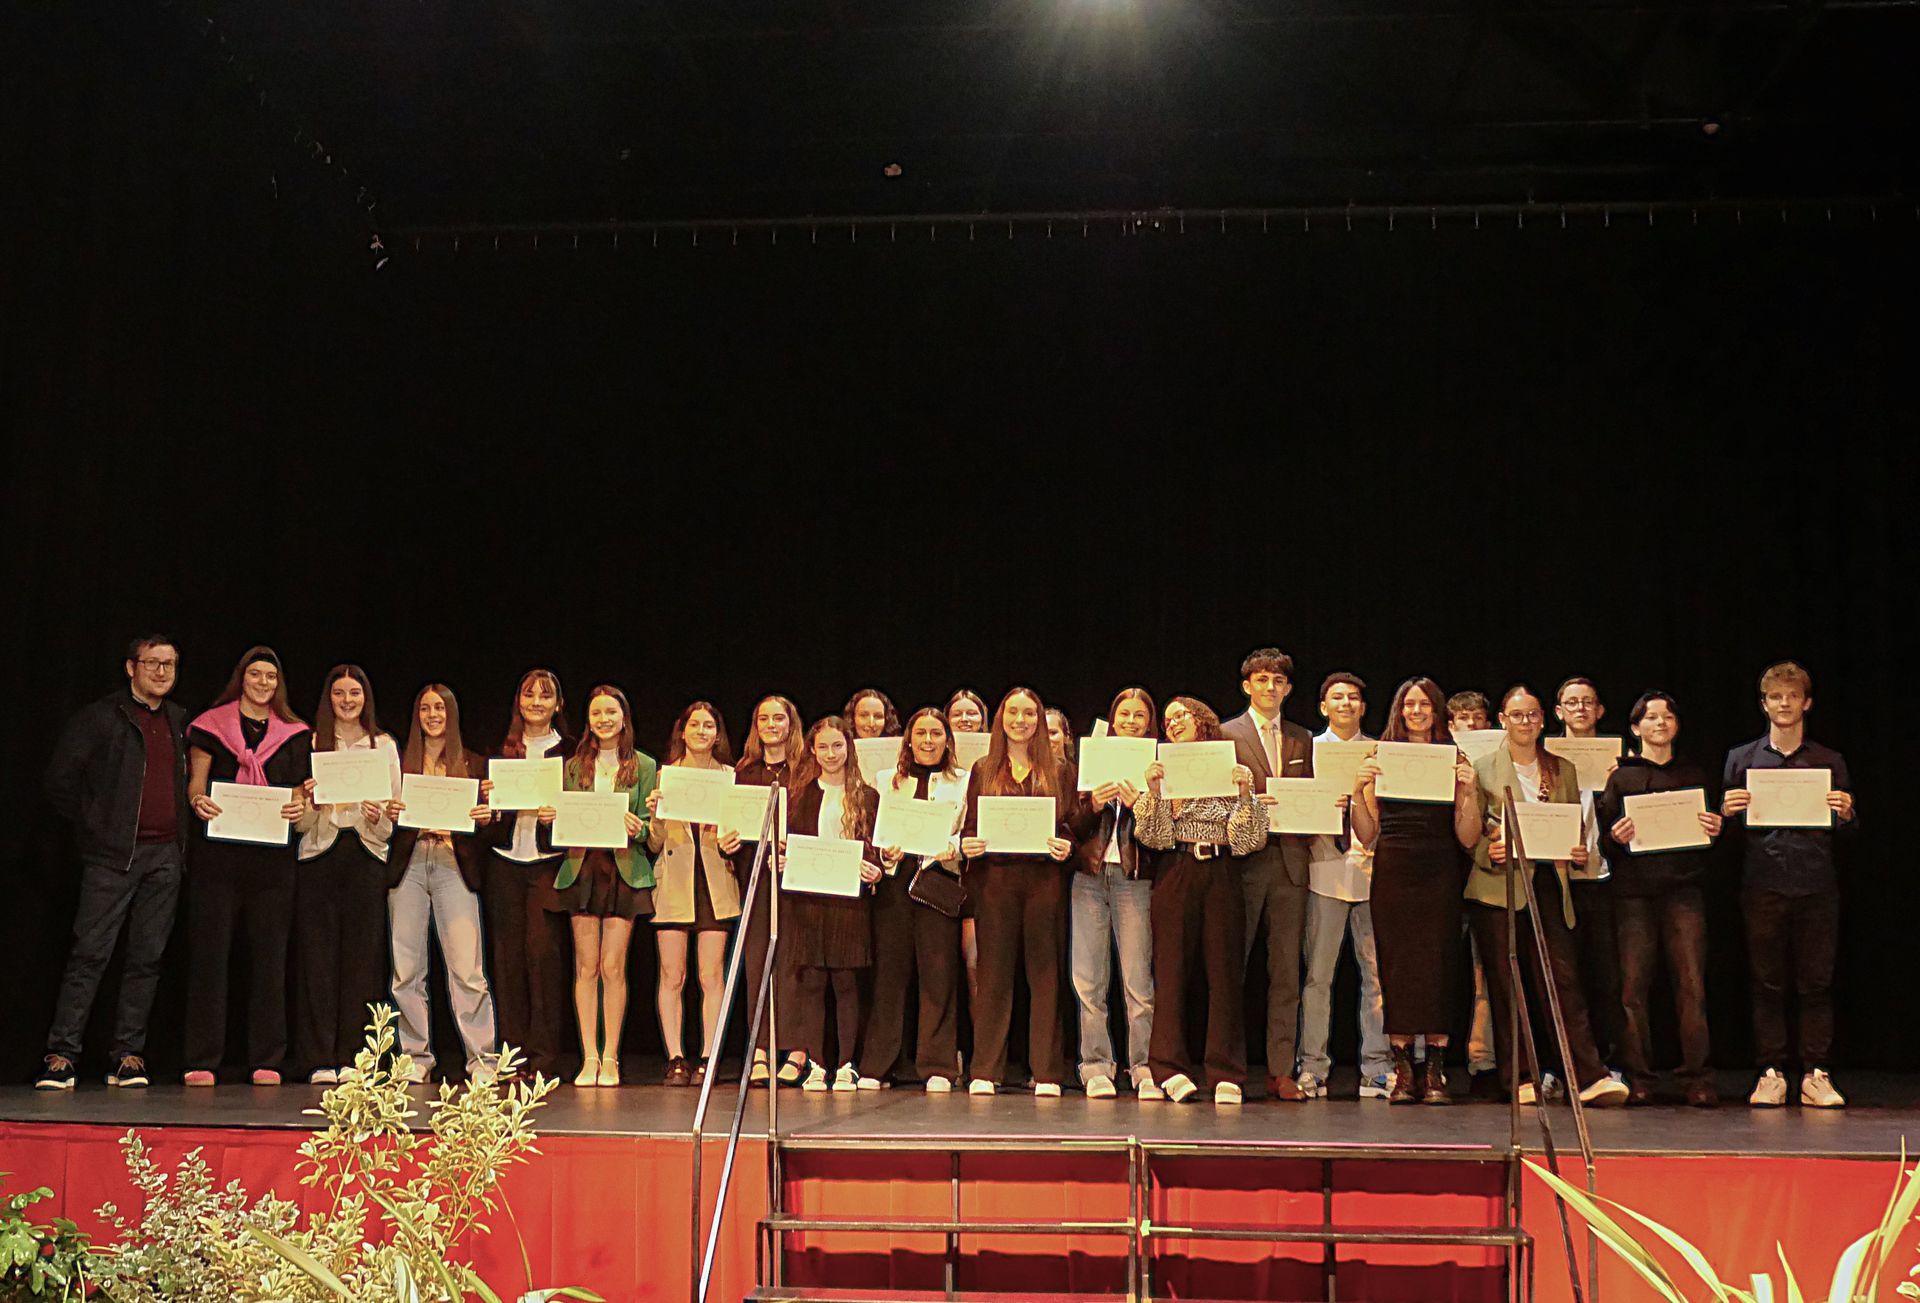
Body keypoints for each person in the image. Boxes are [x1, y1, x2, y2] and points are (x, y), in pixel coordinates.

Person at [37, 636, 191, 1091]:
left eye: (170, 664)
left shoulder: (181, 721)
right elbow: (61, 782)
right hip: (112, 858)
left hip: (165, 857)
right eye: (152, 663)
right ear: (130, 667)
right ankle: (61, 1055)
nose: (161, 672)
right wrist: (98, 830)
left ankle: (127, 1055)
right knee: (89, 955)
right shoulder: (102, 718)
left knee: (147, 959)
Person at [1464, 686, 1628, 1108]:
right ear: (1502, 719)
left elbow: (1570, 825)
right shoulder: (1482, 769)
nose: (1526, 722)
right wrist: (1490, 850)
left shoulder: (1562, 768)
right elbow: (1470, 835)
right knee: (1506, 984)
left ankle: (1587, 1075)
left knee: (1562, 980)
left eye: (1532, 715)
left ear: (1543, 720)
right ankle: (1519, 1076)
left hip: (1548, 884)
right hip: (1498, 887)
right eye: (1517, 715)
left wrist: (1575, 852)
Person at [1722, 661, 1856, 1109]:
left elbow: (1848, 831)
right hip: (1763, 883)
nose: (1784, 704)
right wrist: (1728, 811)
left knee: (1816, 983)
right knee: (1767, 983)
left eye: (1792, 696)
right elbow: (1728, 834)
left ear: (1806, 703)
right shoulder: (1741, 759)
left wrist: (1847, 813)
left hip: (1817, 884)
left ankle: (1816, 1073)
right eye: (1775, 697)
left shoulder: (1829, 760)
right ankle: (1771, 1072)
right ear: (1764, 704)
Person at [181, 646, 312, 1085]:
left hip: (272, 861)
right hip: (218, 857)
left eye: (271, 677)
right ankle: (202, 1058)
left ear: (279, 685)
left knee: (270, 960)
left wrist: (298, 807)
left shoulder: (294, 733)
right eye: (255, 674)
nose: (263, 683)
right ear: (242, 678)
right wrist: (197, 800)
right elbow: (196, 784)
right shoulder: (209, 726)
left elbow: (299, 793)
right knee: (210, 957)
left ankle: (267, 1059)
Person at [1350, 678, 1480, 1106]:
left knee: (1439, 965)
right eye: (1409, 704)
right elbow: (1366, 835)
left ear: (1437, 710)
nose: (1417, 711)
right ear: (1398, 710)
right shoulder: (1381, 756)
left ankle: (1436, 1070)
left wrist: (1468, 791)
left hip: (1439, 869)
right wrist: (1357, 790)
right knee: (1398, 968)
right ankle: (1404, 1068)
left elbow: (1468, 836)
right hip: (1393, 871)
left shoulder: (1454, 757)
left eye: (1425, 704)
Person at [1136, 697, 1267, 1105]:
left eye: (1182, 716)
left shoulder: (1228, 766)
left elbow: (1249, 841)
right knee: (1172, 972)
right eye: (1168, 718)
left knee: (1225, 973)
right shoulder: (1163, 771)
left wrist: (1246, 796)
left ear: (1202, 720)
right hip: (1176, 870)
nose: (1173, 723)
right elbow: (1154, 838)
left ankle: (1225, 1071)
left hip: (1221, 870)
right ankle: (1168, 1068)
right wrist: (1155, 794)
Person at [959, 687, 1086, 1096]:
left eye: (1029, 713)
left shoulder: (1060, 770)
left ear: (1038, 720)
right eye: (1013, 712)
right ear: (1000, 719)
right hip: (995, 881)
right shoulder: (983, 768)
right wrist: (968, 843)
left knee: (1046, 975)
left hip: (1043, 882)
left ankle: (1047, 1072)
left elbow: (1068, 825)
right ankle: (986, 1070)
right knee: (993, 975)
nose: (1021, 720)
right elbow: (970, 825)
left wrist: (1067, 845)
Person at [1598, 692, 1722, 1107]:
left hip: (1684, 891)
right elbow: (1604, 839)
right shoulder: (1621, 778)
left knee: (1691, 984)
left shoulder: (1694, 773)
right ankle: (1639, 1074)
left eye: (1668, 716)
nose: (1660, 723)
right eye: (1651, 718)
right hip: (1633, 895)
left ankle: (1697, 1077)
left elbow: (1712, 839)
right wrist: (1616, 837)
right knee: (1632, 988)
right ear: (1635, 728)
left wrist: (1716, 828)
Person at [291, 665, 400, 1084]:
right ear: (329, 698)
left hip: (367, 854)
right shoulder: (311, 741)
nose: (348, 700)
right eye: (340, 693)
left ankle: (360, 1058)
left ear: (366, 697)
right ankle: (319, 1057)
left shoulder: (384, 745)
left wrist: (378, 816)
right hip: (319, 853)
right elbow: (297, 819)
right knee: (317, 959)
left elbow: (395, 811)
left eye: (355, 692)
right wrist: (311, 804)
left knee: (362, 958)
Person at [385, 683, 497, 1084]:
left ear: (452, 714)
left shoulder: (474, 764)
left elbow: (489, 831)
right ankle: (416, 1056)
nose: (433, 715)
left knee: (467, 968)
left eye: (440, 708)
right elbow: (381, 819)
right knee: (407, 969)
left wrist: (486, 819)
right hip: (411, 862)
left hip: (453, 861)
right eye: (425, 708)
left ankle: (482, 1060)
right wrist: (389, 811)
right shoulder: (398, 763)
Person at [1219, 648, 1314, 1101]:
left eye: (1278, 680)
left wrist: (1325, 809)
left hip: (1292, 863)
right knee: (1229, 970)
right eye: (1261, 679)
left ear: (1288, 688)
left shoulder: (1302, 738)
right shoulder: (1224, 734)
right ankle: (1227, 1069)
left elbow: (1314, 795)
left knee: (1285, 975)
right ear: (1246, 686)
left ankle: (1281, 1069)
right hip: (1242, 865)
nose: (1270, 687)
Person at [860, 707, 969, 1092]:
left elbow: (967, 833)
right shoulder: (886, 780)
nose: (927, 741)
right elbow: (873, 832)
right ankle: (878, 1064)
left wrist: (950, 847)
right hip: (895, 884)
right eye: (920, 733)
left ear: (947, 740)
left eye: (935, 734)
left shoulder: (963, 781)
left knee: (938, 975)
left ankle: (938, 1064)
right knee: (890, 975)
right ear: (908, 739)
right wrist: (884, 852)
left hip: (936, 881)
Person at [1296, 673, 1393, 1101]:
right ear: (1323, 706)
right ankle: (1312, 1066)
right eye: (1337, 697)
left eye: (1354, 697)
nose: (1346, 704)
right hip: (1324, 871)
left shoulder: (1379, 752)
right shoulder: (1306, 750)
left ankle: (1377, 1066)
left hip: (1374, 875)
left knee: (1376, 977)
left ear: (1364, 706)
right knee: (1318, 977)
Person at [553, 685, 656, 1087]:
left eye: (611, 711)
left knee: (613, 967)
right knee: (586, 967)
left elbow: (652, 828)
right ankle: (588, 1057)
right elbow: (562, 818)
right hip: (583, 868)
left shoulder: (644, 765)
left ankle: (611, 1057)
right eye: (597, 713)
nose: (604, 719)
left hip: (624, 869)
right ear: (588, 720)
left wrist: (639, 826)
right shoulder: (575, 766)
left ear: (624, 716)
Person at [781, 716, 885, 1091]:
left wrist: (874, 870)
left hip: (849, 903)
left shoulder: (867, 796)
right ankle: (817, 1064)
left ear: (849, 748)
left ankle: (845, 1064)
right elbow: (789, 843)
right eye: (823, 746)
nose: (830, 754)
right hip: (808, 899)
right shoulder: (800, 794)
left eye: (837, 746)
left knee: (845, 983)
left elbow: (875, 850)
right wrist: (784, 859)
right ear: (812, 750)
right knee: (811, 983)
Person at [480, 669, 574, 1078]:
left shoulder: (570, 751)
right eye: (529, 695)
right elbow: (487, 817)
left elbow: (588, 809)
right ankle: (512, 1055)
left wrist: (562, 814)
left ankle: (544, 1057)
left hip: (548, 864)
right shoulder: (501, 750)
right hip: (504, 861)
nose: (536, 702)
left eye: (545, 696)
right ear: (518, 702)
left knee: (543, 958)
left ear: (558, 704)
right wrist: (487, 807)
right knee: (507, 960)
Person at [646, 701, 740, 1087]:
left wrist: (732, 837)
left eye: (709, 725)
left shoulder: (730, 777)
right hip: (675, 882)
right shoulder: (666, 778)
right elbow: (653, 843)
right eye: (695, 725)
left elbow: (740, 834)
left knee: (710, 974)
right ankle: (675, 1057)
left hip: (715, 882)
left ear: (717, 734)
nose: (702, 731)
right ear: (682, 732)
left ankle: (709, 1055)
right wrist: (656, 813)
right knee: (672, 974)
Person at [1071, 687, 1159, 1100]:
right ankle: (1096, 1065)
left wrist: (1141, 803)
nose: (1130, 721)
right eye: (1124, 714)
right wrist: (1092, 804)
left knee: (1137, 980)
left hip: (1133, 880)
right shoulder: (1091, 760)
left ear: (1148, 723)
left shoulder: (1158, 766)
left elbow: (1162, 838)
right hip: (1088, 878)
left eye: (1138, 716)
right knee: (1088, 978)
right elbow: (1068, 827)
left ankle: (1142, 1064)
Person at [735, 694, 805, 1085]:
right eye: (764, 718)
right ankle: (759, 1049)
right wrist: (727, 841)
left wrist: (791, 845)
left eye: (779, 718)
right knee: (757, 961)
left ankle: (797, 1049)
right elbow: (733, 825)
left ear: (791, 724)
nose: (771, 725)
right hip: (756, 879)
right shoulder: (743, 773)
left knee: (796, 964)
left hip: (796, 879)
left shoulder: (806, 772)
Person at [1555, 677, 1624, 1076]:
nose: (1580, 709)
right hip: (1559, 881)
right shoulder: (1543, 761)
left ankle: (1606, 1063)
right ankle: (1557, 1065)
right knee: (1562, 981)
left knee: (1607, 979)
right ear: (1559, 712)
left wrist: (1620, 779)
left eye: (1588, 703)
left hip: (1605, 881)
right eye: (1571, 703)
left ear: (1599, 711)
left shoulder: (1621, 763)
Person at [1448, 689, 1500, 1097]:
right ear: (1450, 726)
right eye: (1463, 719)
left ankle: (1483, 1060)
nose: (1472, 725)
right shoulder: (1435, 759)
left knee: (1487, 973)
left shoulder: (1500, 764)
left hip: (1487, 875)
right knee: (1437, 970)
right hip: (1443, 876)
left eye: (1478, 719)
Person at [945, 687, 990, 1071]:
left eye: (971, 713)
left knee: (978, 964)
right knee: (945, 969)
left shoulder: (994, 764)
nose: (964, 719)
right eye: (957, 713)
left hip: (979, 877)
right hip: (942, 877)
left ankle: (982, 1052)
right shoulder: (937, 770)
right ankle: (955, 1050)